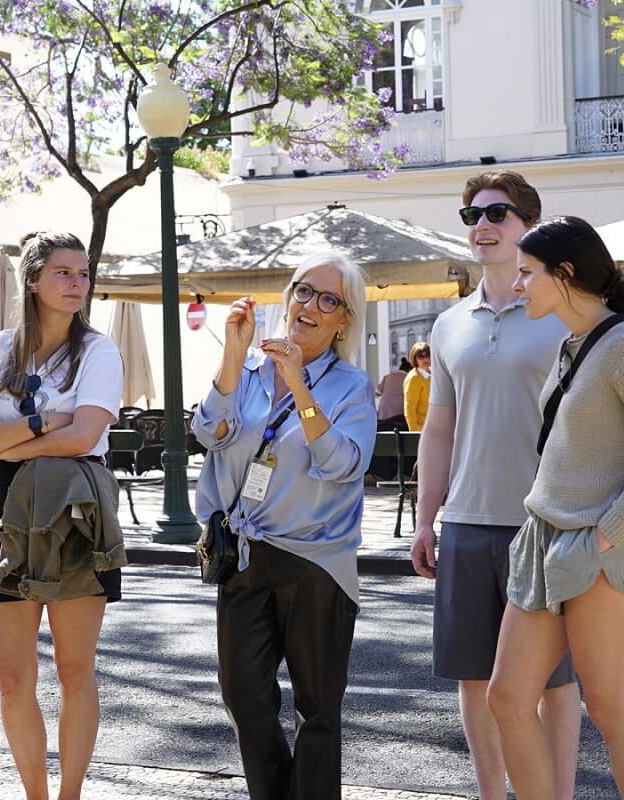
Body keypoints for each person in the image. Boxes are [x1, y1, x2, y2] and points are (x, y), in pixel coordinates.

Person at [488, 215, 624, 800]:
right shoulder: (571, 345)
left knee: (611, 710)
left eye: (527, 273)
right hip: (543, 536)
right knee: (507, 698)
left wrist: (604, 536)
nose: (516, 285)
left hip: (600, 546)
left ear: (564, 273)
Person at [408, 171, 581, 800]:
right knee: (475, 678)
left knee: (555, 682)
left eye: (497, 213)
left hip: (547, 525)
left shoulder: (564, 316)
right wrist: (426, 520)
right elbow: (438, 431)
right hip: (466, 524)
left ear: (528, 226)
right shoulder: (449, 324)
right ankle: (491, 794)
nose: (482, 225)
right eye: (472, 215)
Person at [192, 251, 377, 800]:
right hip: (245, 552)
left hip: (316, 560)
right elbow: (208, 430)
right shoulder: (249, 369)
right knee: (242, 694)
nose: (310, 306)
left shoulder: (351, 385)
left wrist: (300, 386)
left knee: (317, 708)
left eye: (329, 300)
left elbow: (344, 464)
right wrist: (233, 353)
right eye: (303, 290)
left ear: (344, 320)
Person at [0, 231, 124, 800]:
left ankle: (69, 795)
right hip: (7, 504)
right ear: (32, 280)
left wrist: (6, 443)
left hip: (77, 502)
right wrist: (39, 423)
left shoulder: (99, 351)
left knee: (75, 670)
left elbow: (85, 436)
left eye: (83, 274)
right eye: (63, 273)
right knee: (12, 679)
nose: (78, 284)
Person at [402, 341, 431, 432]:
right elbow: (409, 409)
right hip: (420, 431)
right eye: (420, 356)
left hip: (433, 428)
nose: (425, 359)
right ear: (415, 359)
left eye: (428, 355)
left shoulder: (433, 373)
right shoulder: (414, 378)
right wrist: (414, 434)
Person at [376, 357, 411, 423]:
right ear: (409, 370)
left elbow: (377, 392)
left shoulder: (388, 376)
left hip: (383, 414)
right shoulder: (409, 379)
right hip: (398, 416)